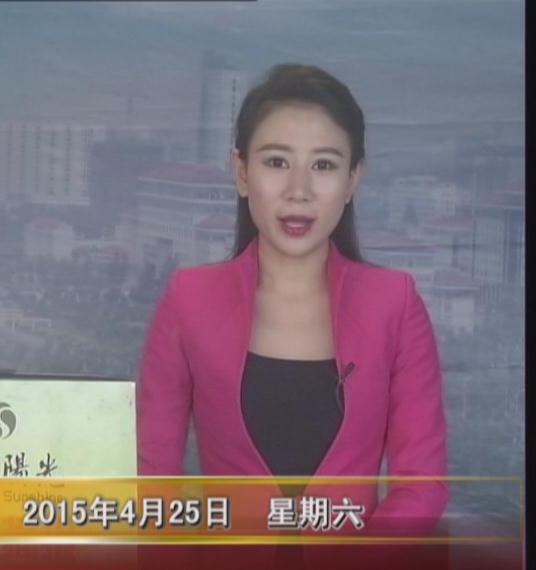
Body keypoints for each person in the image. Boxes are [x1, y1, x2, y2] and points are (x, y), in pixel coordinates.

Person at [136, 63, 448, 538]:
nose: (299, 191)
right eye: (277, 162)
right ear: (241, 172)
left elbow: (422, 487)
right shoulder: (188, 300)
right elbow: (151, 477)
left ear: (353, 180)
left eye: (323, 165)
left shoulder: (395, 305)